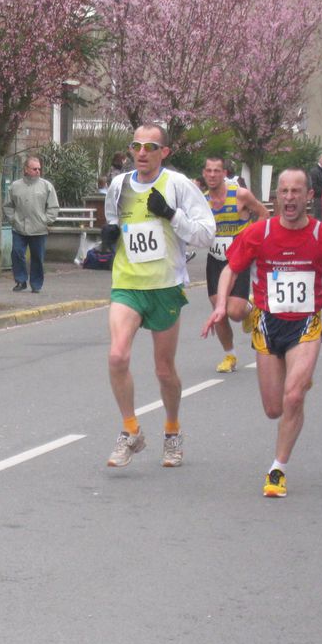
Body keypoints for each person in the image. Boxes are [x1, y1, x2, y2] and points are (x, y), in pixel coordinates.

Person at [201, 168, 322, 498]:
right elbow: (232, 267)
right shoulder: (260, 232)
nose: (289, 198)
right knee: (274, 408)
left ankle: (278, 469)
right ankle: (297, 382)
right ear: (276, 197)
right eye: (283, 192)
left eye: (295, 192)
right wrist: (219, 307)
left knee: (293, 397)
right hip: (267, 325)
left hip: (305, 325)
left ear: (308, 197)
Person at [102, 125, 215, 468]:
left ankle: (172, 431)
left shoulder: (178, 185)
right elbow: (113, 222)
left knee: (164, 371)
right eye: (136, 146)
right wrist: (109, 236)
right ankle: (130, 430)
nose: (141, 152)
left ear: (164, 152)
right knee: (118, 356)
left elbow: (206, 234)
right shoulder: (119, 186)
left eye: (150, 147)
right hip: (127, 284)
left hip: (165, 285)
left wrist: (170, 214)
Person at [201, 155, 268, 373]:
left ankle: (249, 308)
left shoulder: (240, 195)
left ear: (224, 173)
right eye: (208, 171)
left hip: (239, 257)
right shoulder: (202, 201)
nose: (212, 175)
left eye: (216, 171)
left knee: (235, 312)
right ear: (204, 174)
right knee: (218, 310)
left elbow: (264, 214)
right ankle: (229, 356)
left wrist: (251, 239)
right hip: (215, 258)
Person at [3, 155, 59, 293]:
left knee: (37, 257)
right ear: (26, 169)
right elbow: (8, 205)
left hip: (39, 229)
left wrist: (46, 220)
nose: (38, 171)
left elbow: (53, 206)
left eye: (39, 169)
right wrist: (13, 220)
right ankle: (21, 280)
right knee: (17, 253)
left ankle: (36, 284)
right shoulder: (15, 186)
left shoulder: (46, 186)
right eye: (34, 169)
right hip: (19, 228)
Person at [308, 154, 322, 219]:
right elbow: (313, 186)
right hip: (317, 199)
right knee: (318, 219)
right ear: (319, 160)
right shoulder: (315, 171)